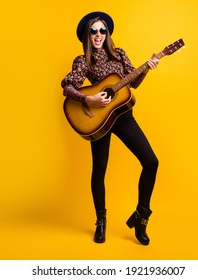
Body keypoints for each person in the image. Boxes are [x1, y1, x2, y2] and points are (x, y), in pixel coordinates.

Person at [61, 11, 159, 245]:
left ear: (108, 33)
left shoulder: (119, 54)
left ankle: (141, 216)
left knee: (151, 161)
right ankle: (101, 222)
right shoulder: (83, 60)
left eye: (102, 30)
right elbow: (67, 86)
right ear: (88, 34)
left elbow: (132, 82)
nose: (98, 35)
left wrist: (146, 67)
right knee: (99, 171)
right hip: (100, 120)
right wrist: (89, 100)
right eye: (93, 31)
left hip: (123, 117)